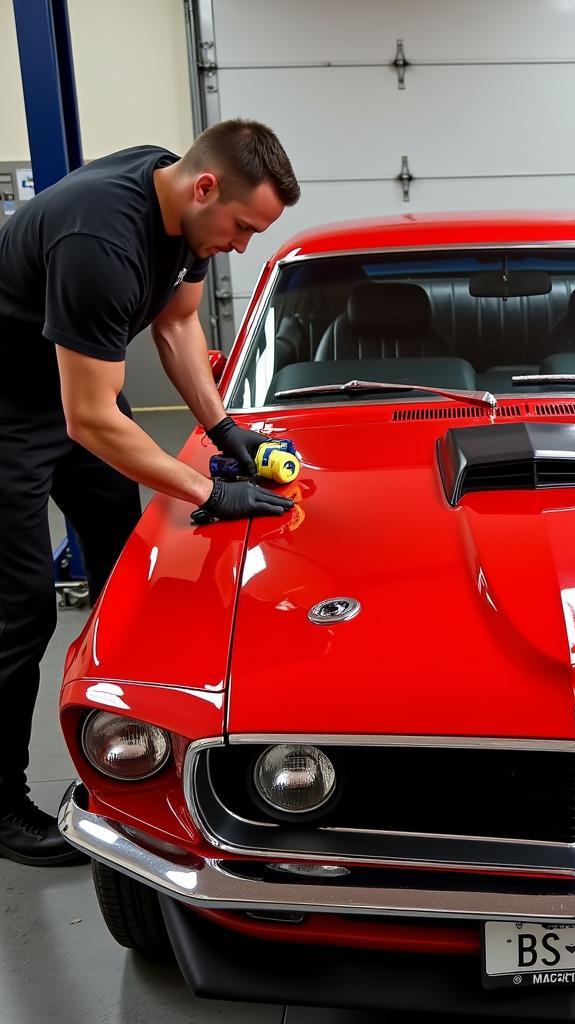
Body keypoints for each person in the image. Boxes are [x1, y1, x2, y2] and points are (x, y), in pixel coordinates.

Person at [0, 119, 300, 866]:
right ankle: (1, 804)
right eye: (240, 226)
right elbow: (90, 416)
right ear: (205, 189)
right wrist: (209, 489)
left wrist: (228, 430)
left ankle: (124, 747)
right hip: (11, 408)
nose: (241, 247)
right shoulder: (99, 241)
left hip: (72, 391)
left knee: (123, 569)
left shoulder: (181, 205)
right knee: (20, 609)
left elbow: (178, 325)